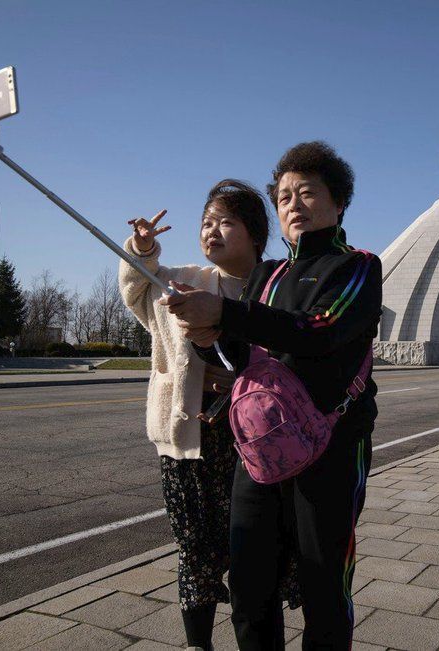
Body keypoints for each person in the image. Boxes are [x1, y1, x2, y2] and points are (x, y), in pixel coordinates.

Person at [161, 142, 382, 650]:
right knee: (249, 586)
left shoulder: (357, 266)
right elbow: (242, 362)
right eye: (284, 197)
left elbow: (318, 329)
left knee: (324, 586)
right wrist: (211, 340)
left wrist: (225, 315)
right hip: (259, 451)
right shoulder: (266, 274)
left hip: (331, 446)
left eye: (307, 193)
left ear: (339, 202)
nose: (294, 205)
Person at [119, 180, 297, 650]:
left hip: (261, 440)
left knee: (257, 554)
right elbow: (138, 287)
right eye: (206, 222)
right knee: (195, 550)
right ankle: (199, 644)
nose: (211, 231)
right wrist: (142, 248)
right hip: (194, 439)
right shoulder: (185, 280)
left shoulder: (281, 285)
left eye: (225, 222)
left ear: (256, 234)